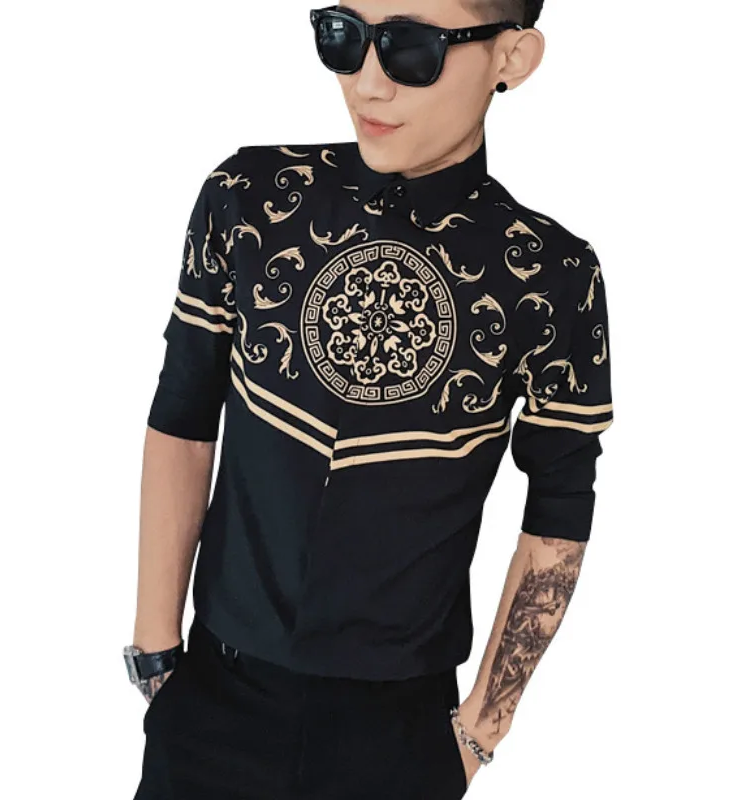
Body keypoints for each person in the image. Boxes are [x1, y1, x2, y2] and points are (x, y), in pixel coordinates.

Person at [124, 1, 615, 798]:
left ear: (512, 59)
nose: (368, 82)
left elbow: (559, 507)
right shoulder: (251, 198)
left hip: (401, 739)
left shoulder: (550, 275)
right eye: (343, 38)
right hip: (210, 703)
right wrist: (156, 654)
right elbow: (183, 413)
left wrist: (478, 732)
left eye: (410, 48)